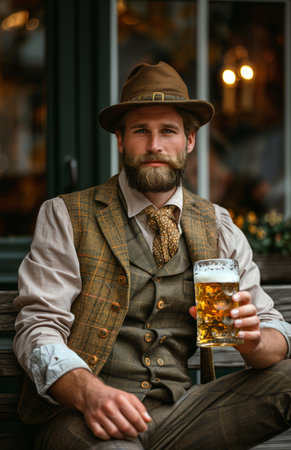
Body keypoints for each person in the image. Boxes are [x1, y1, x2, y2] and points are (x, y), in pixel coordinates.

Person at [14, 61, 291, 450]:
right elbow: (37, 328)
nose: (155, 145)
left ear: (189, 140)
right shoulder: (67, 215)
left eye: (168, 131)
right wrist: (90, 393)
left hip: (182, 418)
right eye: (141, 131)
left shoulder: (217, 225)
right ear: (121, 142)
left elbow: (274, 328)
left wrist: (254, 340)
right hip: (81, 417)